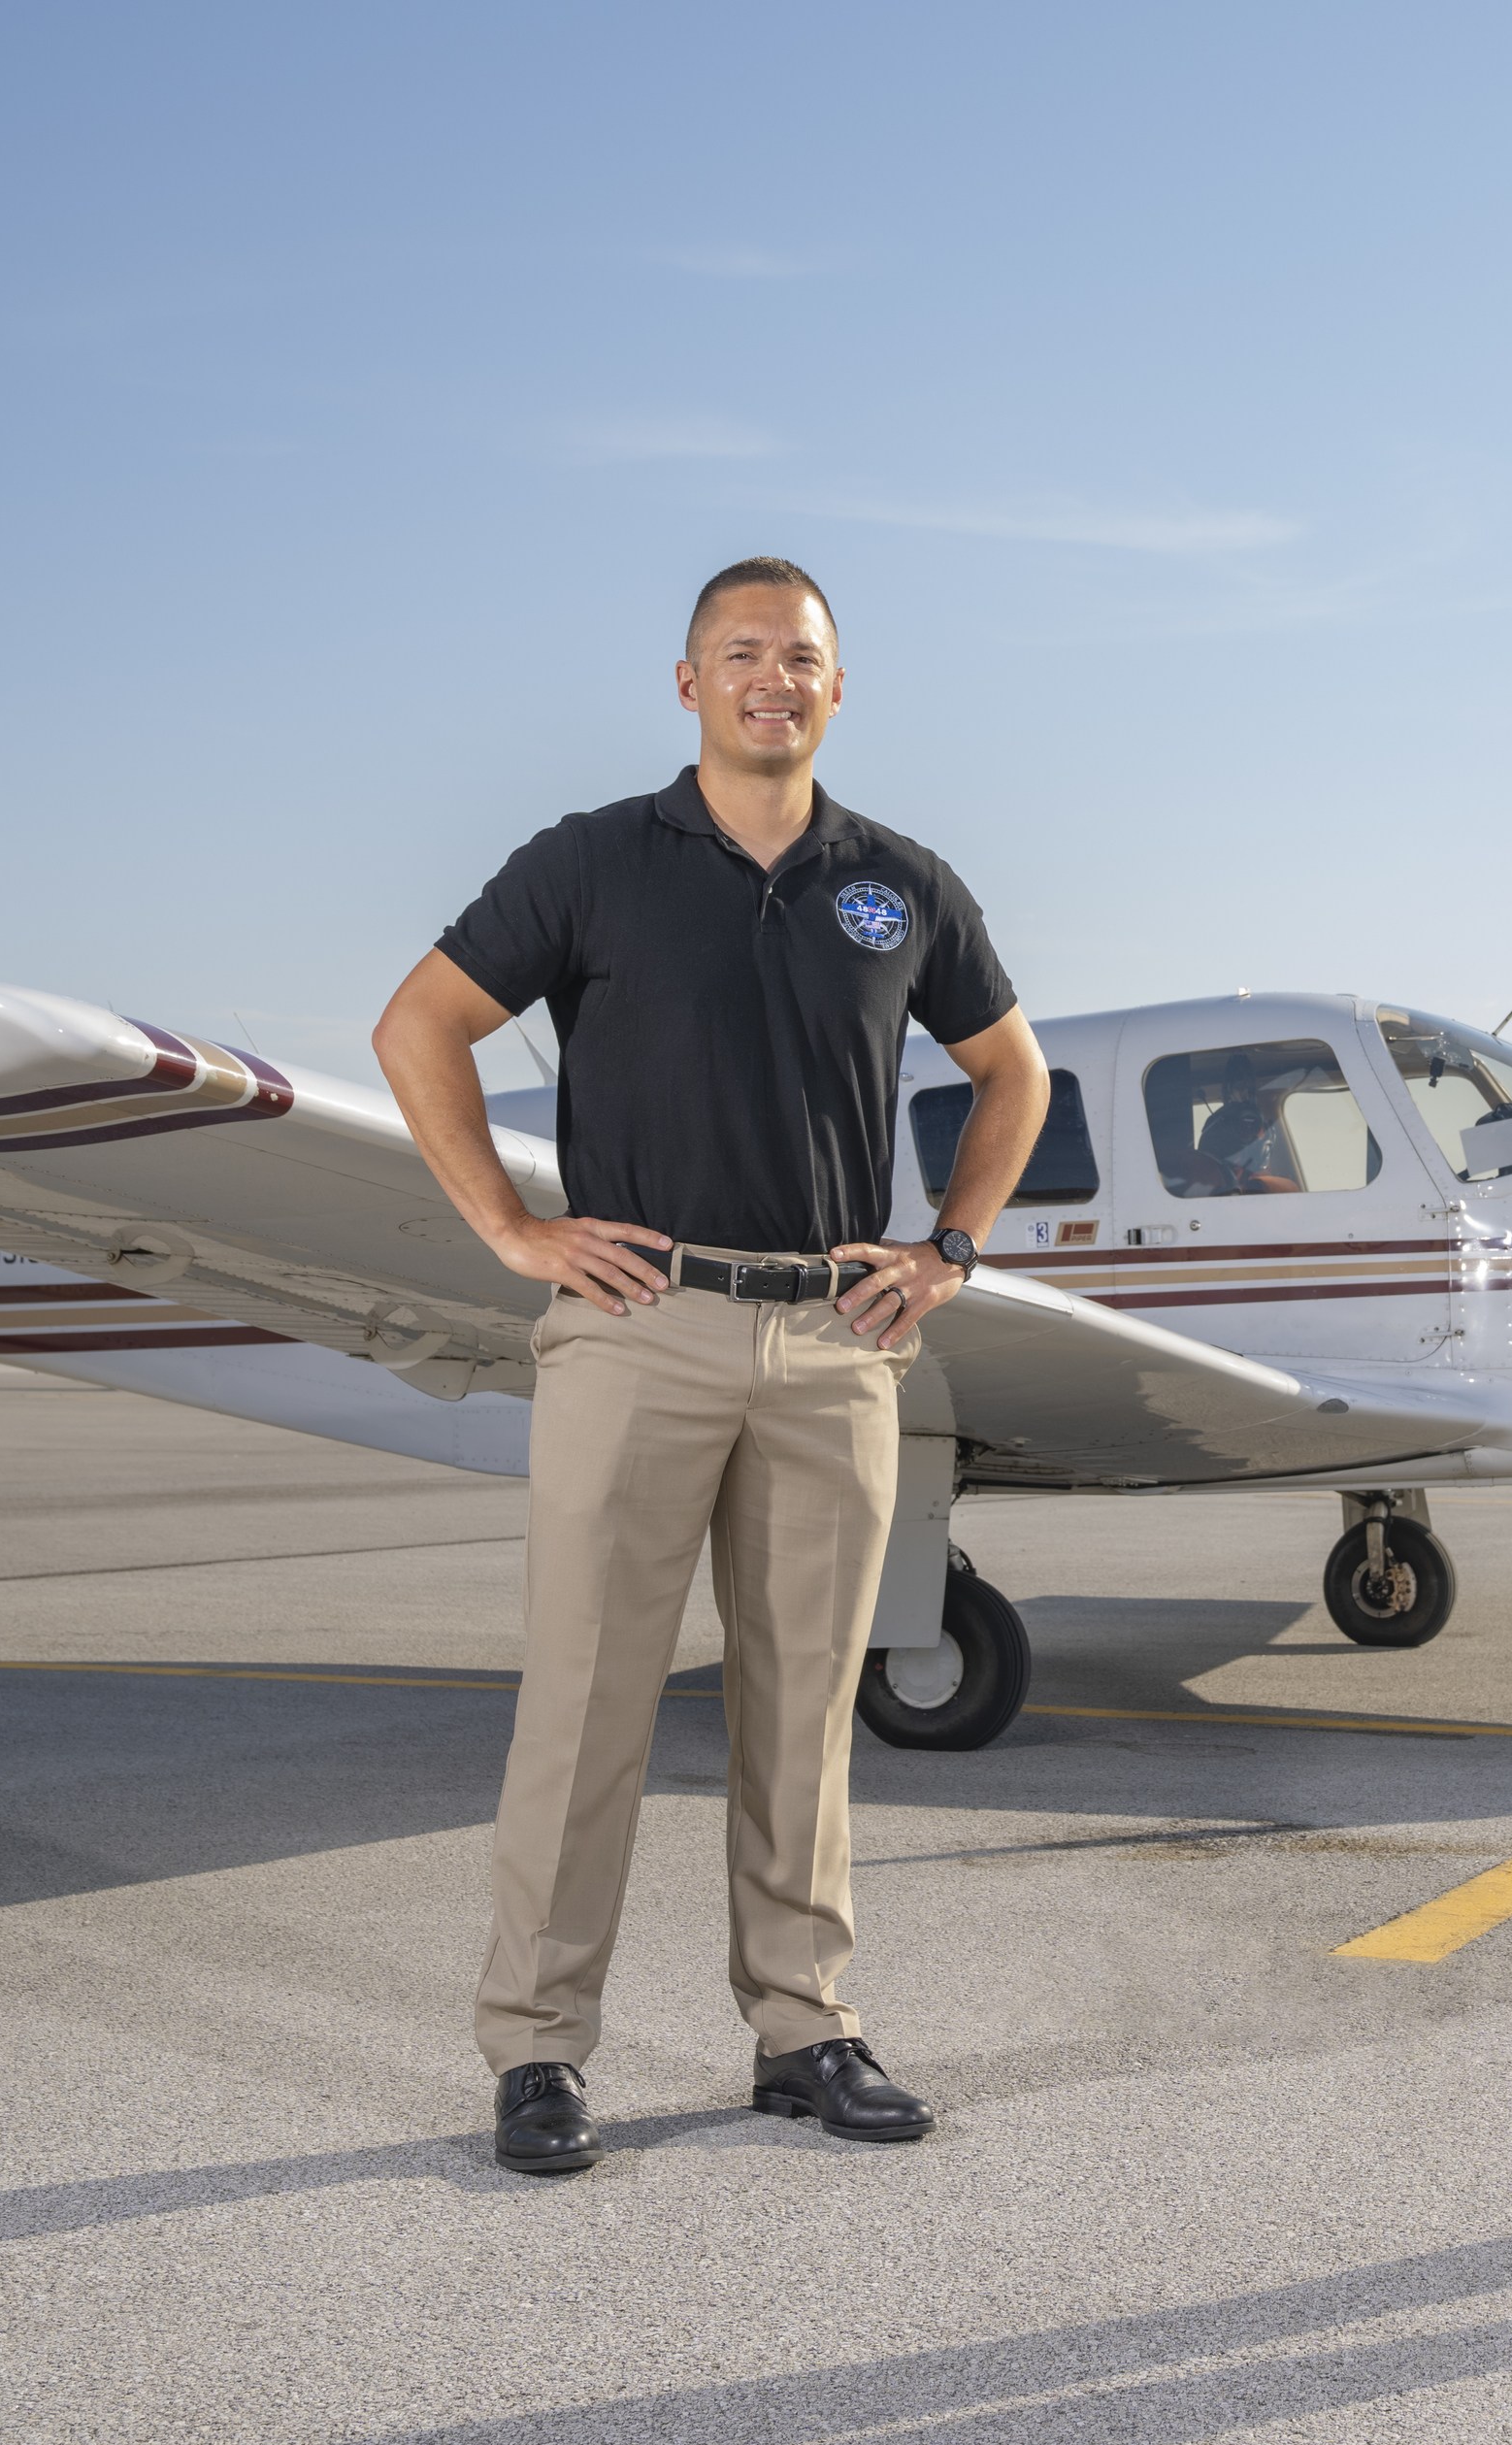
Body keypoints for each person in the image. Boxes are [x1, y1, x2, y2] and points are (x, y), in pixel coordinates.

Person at [374, 555, 1048, 2176]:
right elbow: (418, 1028)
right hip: (638, 1324)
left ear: (837, 685)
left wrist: (948, 1249)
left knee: (805, 1711)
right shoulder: (596, 861)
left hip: (833, 1338)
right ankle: (538, 2052)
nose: (774, 678)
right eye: (742, 655)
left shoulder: (901, 884)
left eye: (801, 657)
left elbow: (1009, 1075)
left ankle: (805, 2029)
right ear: (688, 684)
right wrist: (515, 1234)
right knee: (587, 1702)